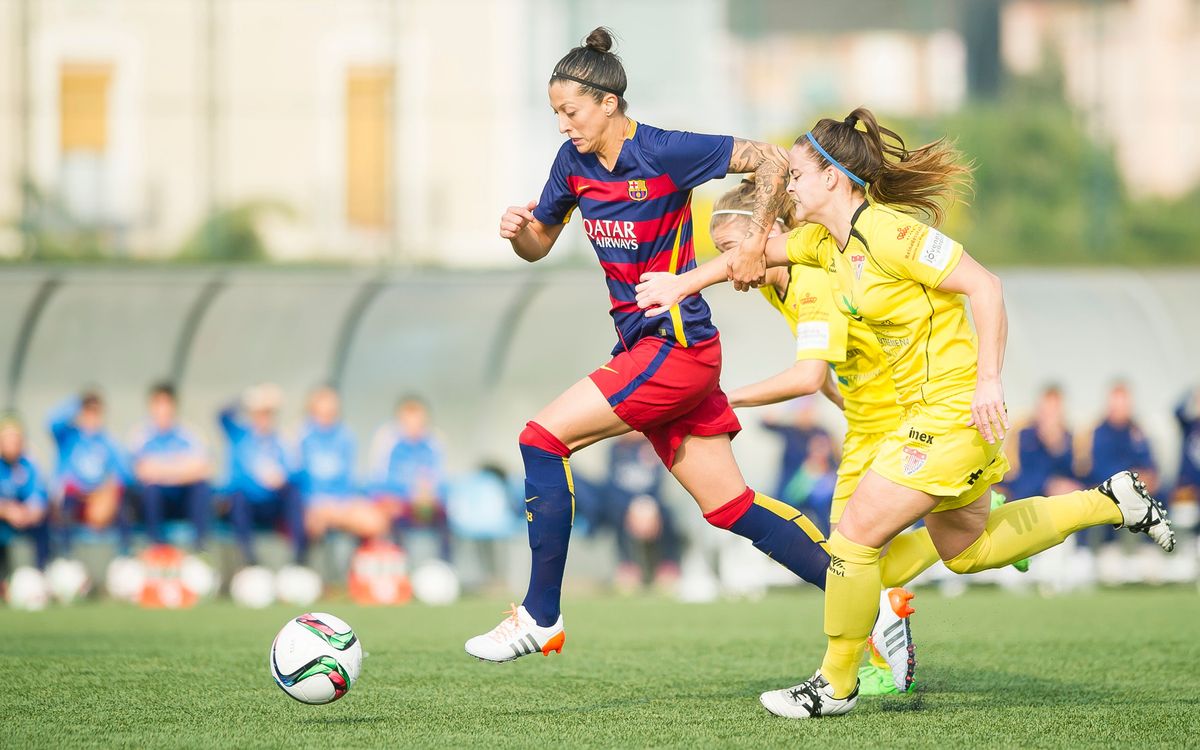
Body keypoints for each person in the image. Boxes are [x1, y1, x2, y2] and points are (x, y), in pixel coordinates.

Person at [636, 107, 1175, 717]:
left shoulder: (892, 233)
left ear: (833, 179)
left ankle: (834, 684)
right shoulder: (823, 242)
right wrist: (681, 285)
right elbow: (748, 258)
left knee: (854, 539)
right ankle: (1113, 501)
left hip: (951, 413)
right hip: (923, 417)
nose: (787, 187)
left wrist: (989, 381)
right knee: (966, 551)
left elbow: (987, 287)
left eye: (796, 176)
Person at [465, 27, 861, 666]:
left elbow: (771, 159)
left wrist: (756, 239)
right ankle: (869, 601)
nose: (563, 126)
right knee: (732, 506)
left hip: (675, 350)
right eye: (556, 114)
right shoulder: (572, 165)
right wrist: (520, 232)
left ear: (609, 104)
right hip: (650, 352)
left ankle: (540, 616)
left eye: (570, 112)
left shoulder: (665, 151)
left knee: (541, 439)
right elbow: (540, 242)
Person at [218, 384, 306, 566]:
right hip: (246, 503)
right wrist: (247, 397)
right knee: (238, 499)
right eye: (259, 413)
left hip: (272, 504)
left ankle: (298, 560)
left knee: (294, 496)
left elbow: (298, 473)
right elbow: (222, 415)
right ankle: (249, 561)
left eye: (268, 413)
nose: (264, 418)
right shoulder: (240, 435)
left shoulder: (282, 440)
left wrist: (282, 479)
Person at [296, 385, 388, 546]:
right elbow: (294, 481)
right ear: (312, 410)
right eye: (322, 411)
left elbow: (350, 481)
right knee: (314, 521)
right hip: (312, 505)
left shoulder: (345, 436)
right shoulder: (300, 435)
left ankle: (359, 567)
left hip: (342, 504)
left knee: (376, 521)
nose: (327, 415)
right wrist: (317, 505)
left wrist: (340, 507)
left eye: (332, 411)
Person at [129, 382, 213, 550]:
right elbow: (141, 472)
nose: (163, 409)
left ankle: (200, 549)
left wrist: (161, 470)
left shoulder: (189, 434)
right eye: (158, 403)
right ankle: (156, 549)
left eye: (167, 403)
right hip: (156, 501)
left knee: (201, 488)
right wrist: (180, 467)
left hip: (182, 499)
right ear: (151, 406)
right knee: (151, 491)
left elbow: (203, 469)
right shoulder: (140, 435)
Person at [47, 390, 132, 553]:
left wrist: (107, 493)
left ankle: (125, 557)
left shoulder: (108, 442)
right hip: (75, 498)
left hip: (99, 499)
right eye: (88, 411)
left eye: (96, 412)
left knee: (124, 511)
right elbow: (51, 422)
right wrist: (76, 402)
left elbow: (125, 475)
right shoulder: (69, 438)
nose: (92, 417)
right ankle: (65, 558)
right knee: (65, 506)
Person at [369, 396, 451, 561]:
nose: (413, 427)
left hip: (425, 503)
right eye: (408, 422)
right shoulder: (387, 440)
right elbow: (376, 481)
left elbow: (442, 481)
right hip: (397, 503)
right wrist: (407, 492)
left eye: (418, 422)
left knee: (446, 515)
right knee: (391, 513)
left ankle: (444, 566)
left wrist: (430, 493)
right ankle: (400, 566)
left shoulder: (434, 442)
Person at [604, 432, 681, 592]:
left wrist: (648, 506)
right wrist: (631, 507)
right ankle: (627, 565)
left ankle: (667, 564)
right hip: (624, 505)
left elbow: (658, 484)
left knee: (666, 515)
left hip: (652, 503)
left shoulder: (653, 446)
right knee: (619, 515)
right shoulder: (616, 449)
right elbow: (612, 485)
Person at [0, 413, 51, 575]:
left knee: (44, 524)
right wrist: (7, 511)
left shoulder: (28, 465)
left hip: (24, 520)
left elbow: (38, 496)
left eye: (16, 440)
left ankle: (42, 572)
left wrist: (30, 512)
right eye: (7, 439)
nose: (12, 444)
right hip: (4, 521)